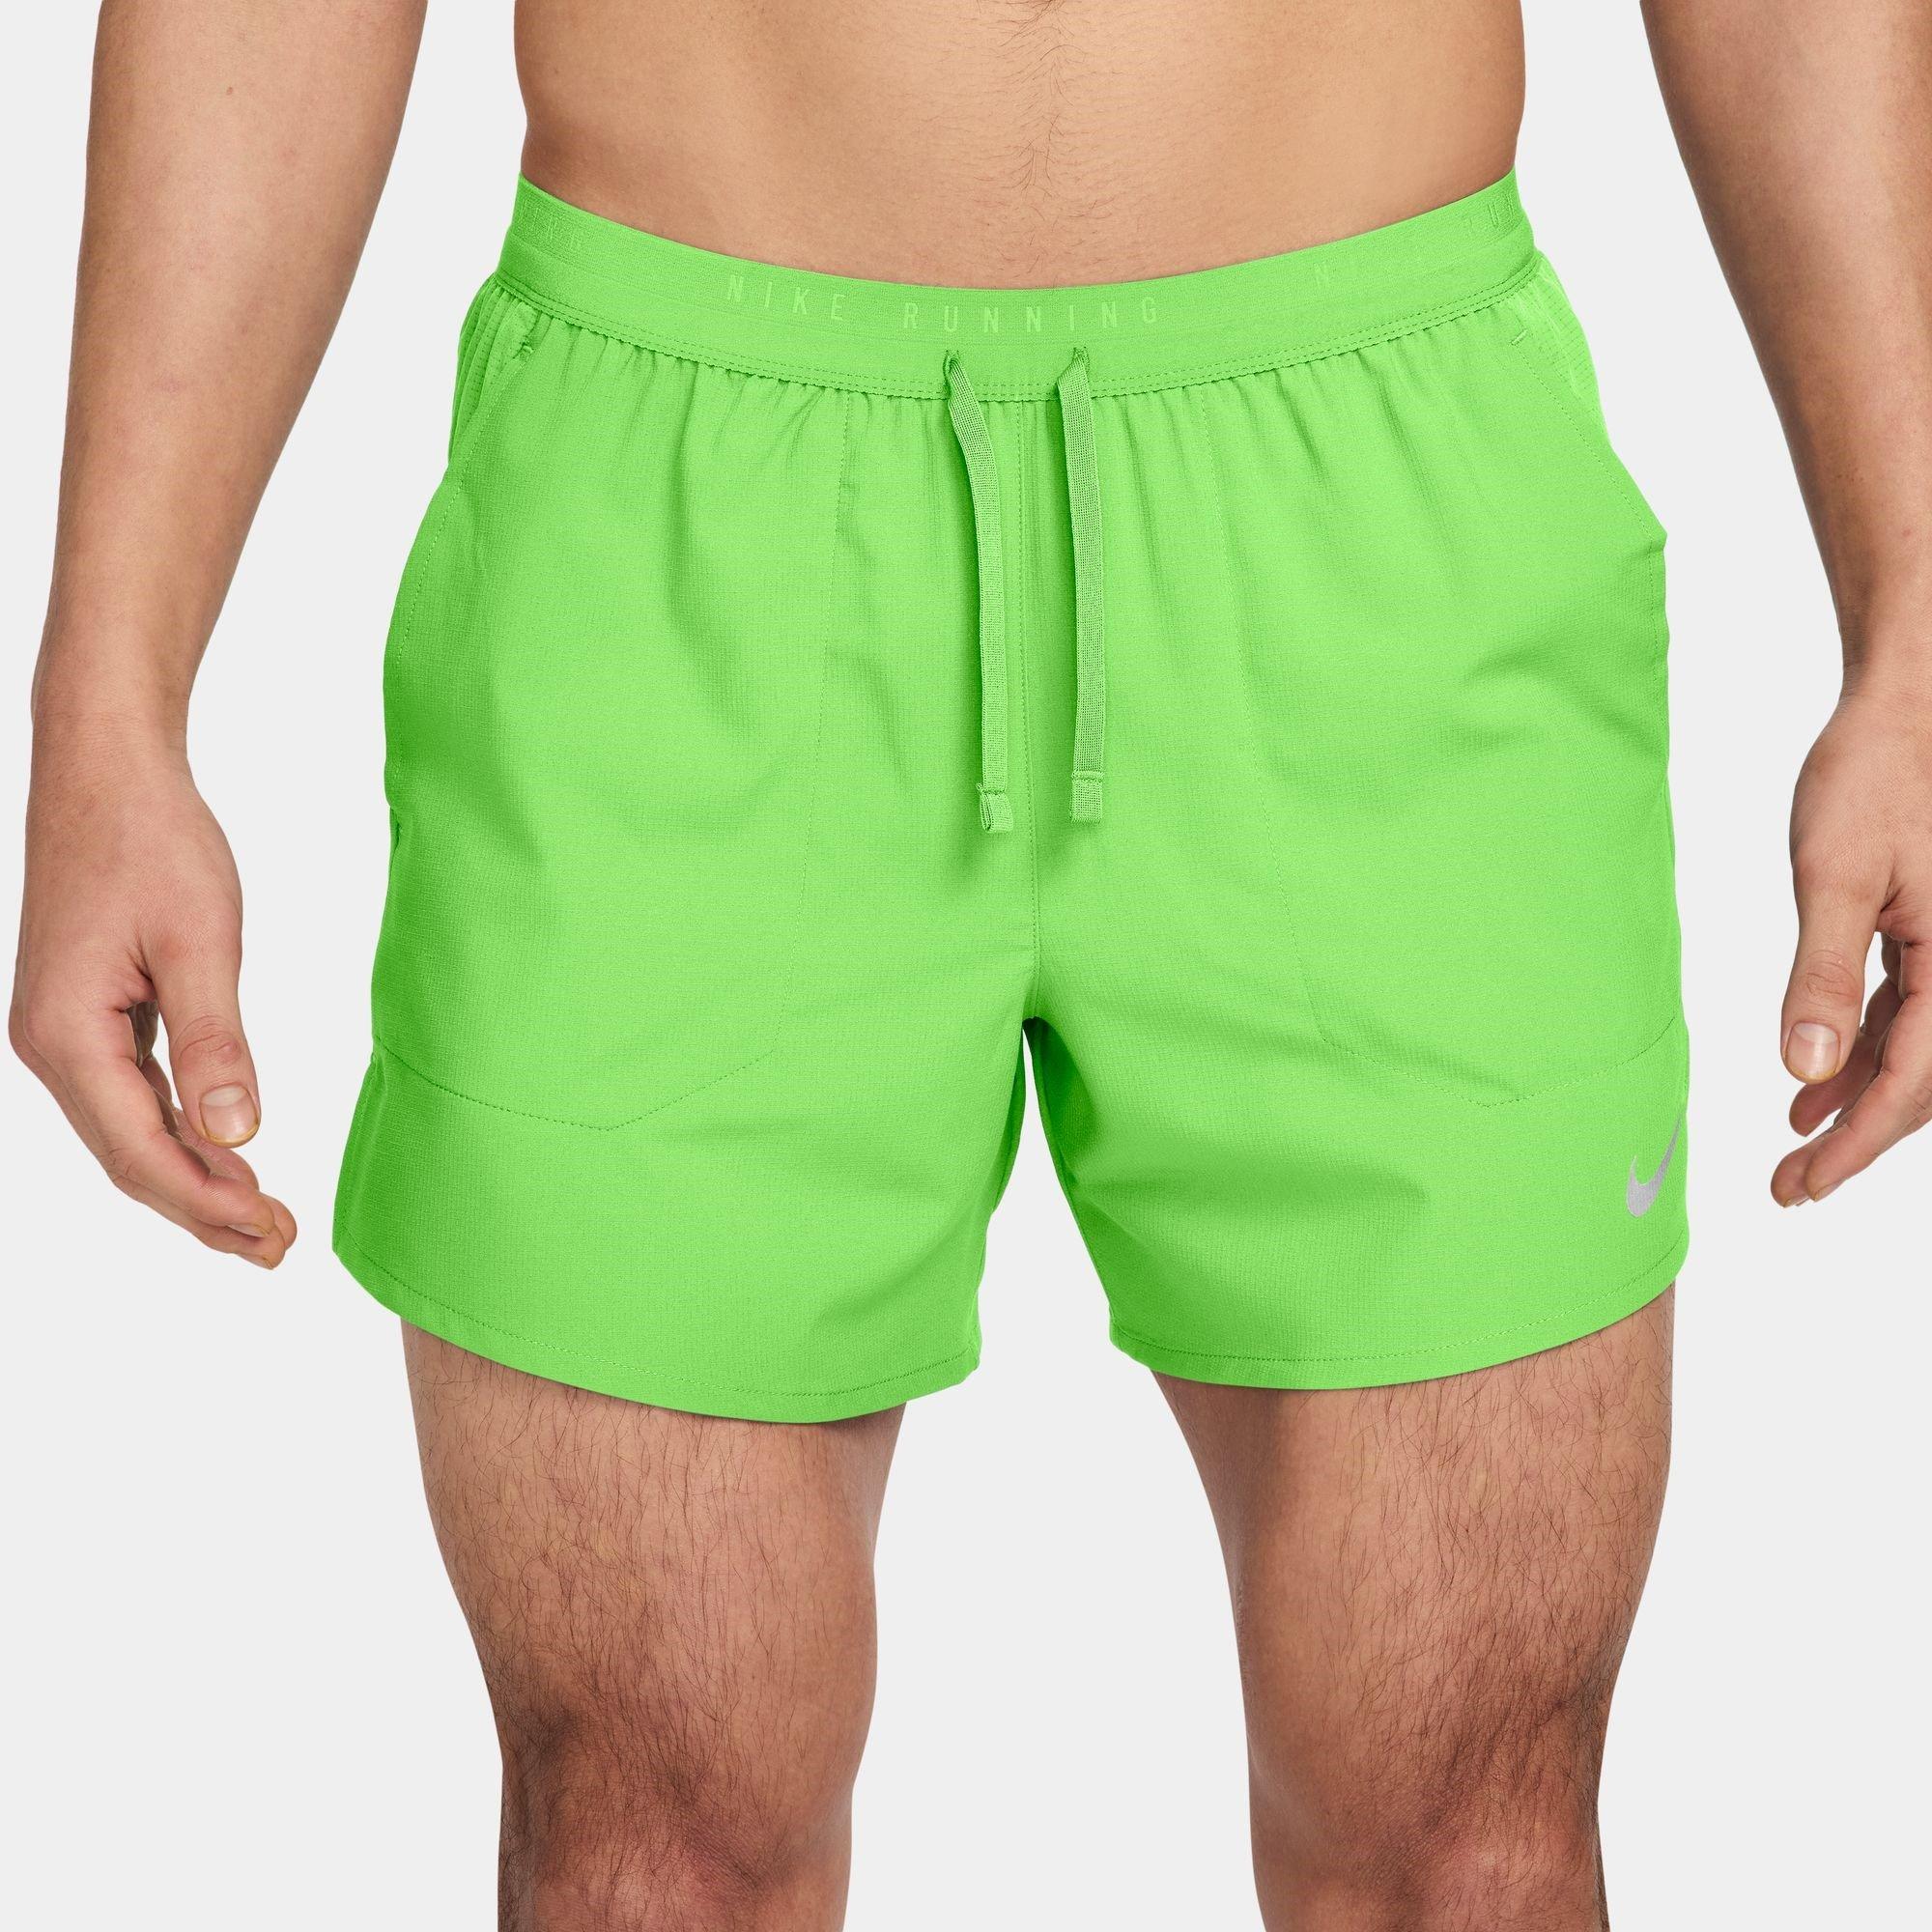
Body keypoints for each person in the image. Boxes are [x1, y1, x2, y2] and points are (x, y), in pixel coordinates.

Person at [13, 1, 1930, 1924]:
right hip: (678, 542)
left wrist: (1915, 618)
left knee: (1469, 1845)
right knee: (649, 1851)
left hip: (1379, 532)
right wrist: (108, 695)